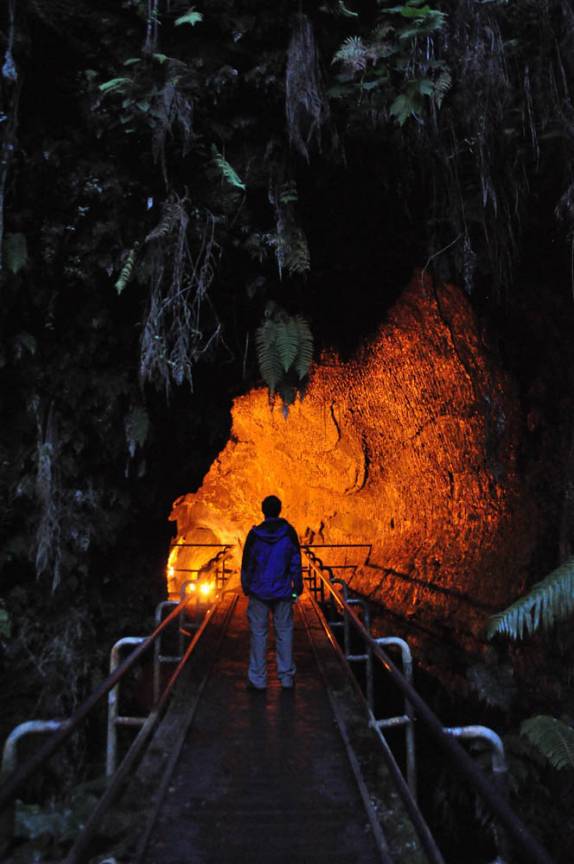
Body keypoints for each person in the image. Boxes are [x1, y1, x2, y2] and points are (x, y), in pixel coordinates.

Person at [241, 495, 303, 690]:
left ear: (263, 511)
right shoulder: (289, 533)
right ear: (279, 510)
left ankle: (258, 679)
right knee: (284, 632)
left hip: (259, 591)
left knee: (258, 634)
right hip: (283, 591)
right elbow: (295, 562)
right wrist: (297, 587)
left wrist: (246, 586)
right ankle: (286, 678)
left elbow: (247, 564)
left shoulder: (254, 535)